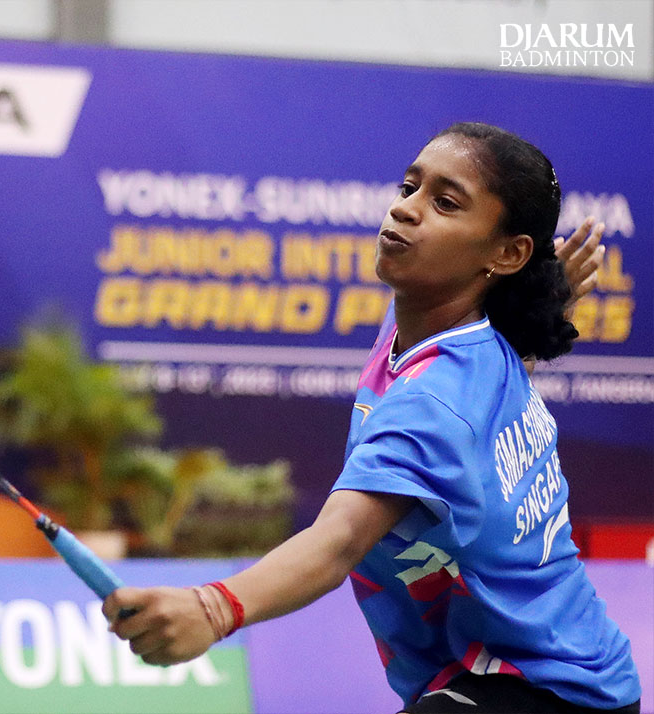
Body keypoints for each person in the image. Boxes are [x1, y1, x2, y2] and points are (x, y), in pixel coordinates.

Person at [103, 123, 640, 713]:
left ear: (507, 254)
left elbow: (338, 542)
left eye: (445, 202)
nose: (406, 208)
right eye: (410, 187)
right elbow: (504, 369)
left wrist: (213, 609)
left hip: (548, 687)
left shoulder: (435, 405)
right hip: (541, 671)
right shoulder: (451, 334)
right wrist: (552, 300)